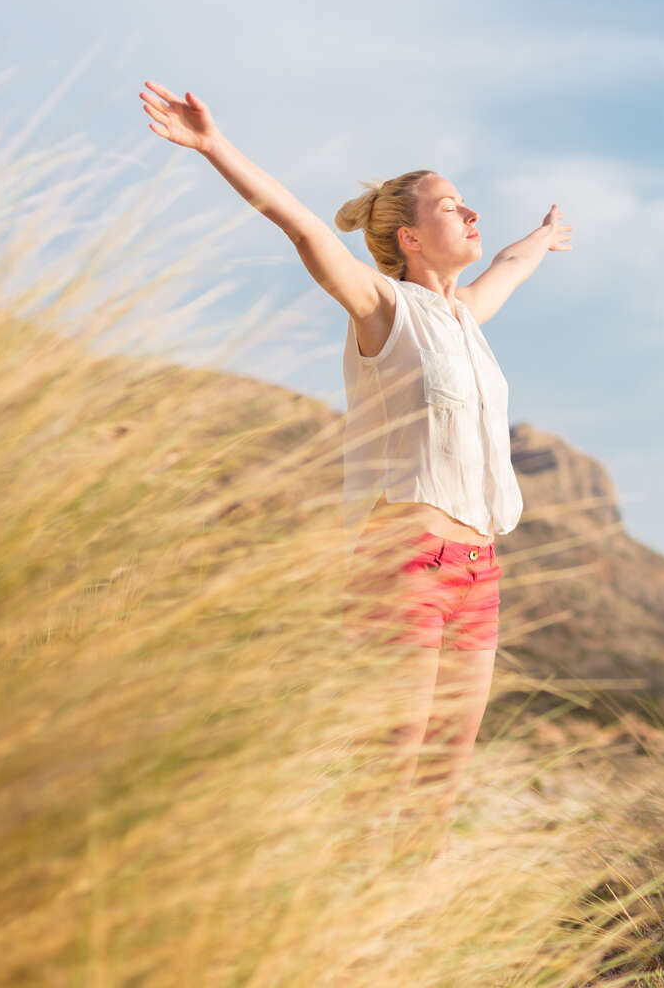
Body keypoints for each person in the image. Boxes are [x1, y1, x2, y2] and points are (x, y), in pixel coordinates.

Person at [140, 80, 572, 856]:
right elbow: (301, 225)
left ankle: (408, 937)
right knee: (387, 763)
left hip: (479, 572)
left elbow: (510, 262)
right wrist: (213, 146)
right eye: (451, 205)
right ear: (408, 237)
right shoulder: (383, 308)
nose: (471, 213)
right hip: (403, 563)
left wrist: (543, 237)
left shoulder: (466, 318)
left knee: (444, 774)